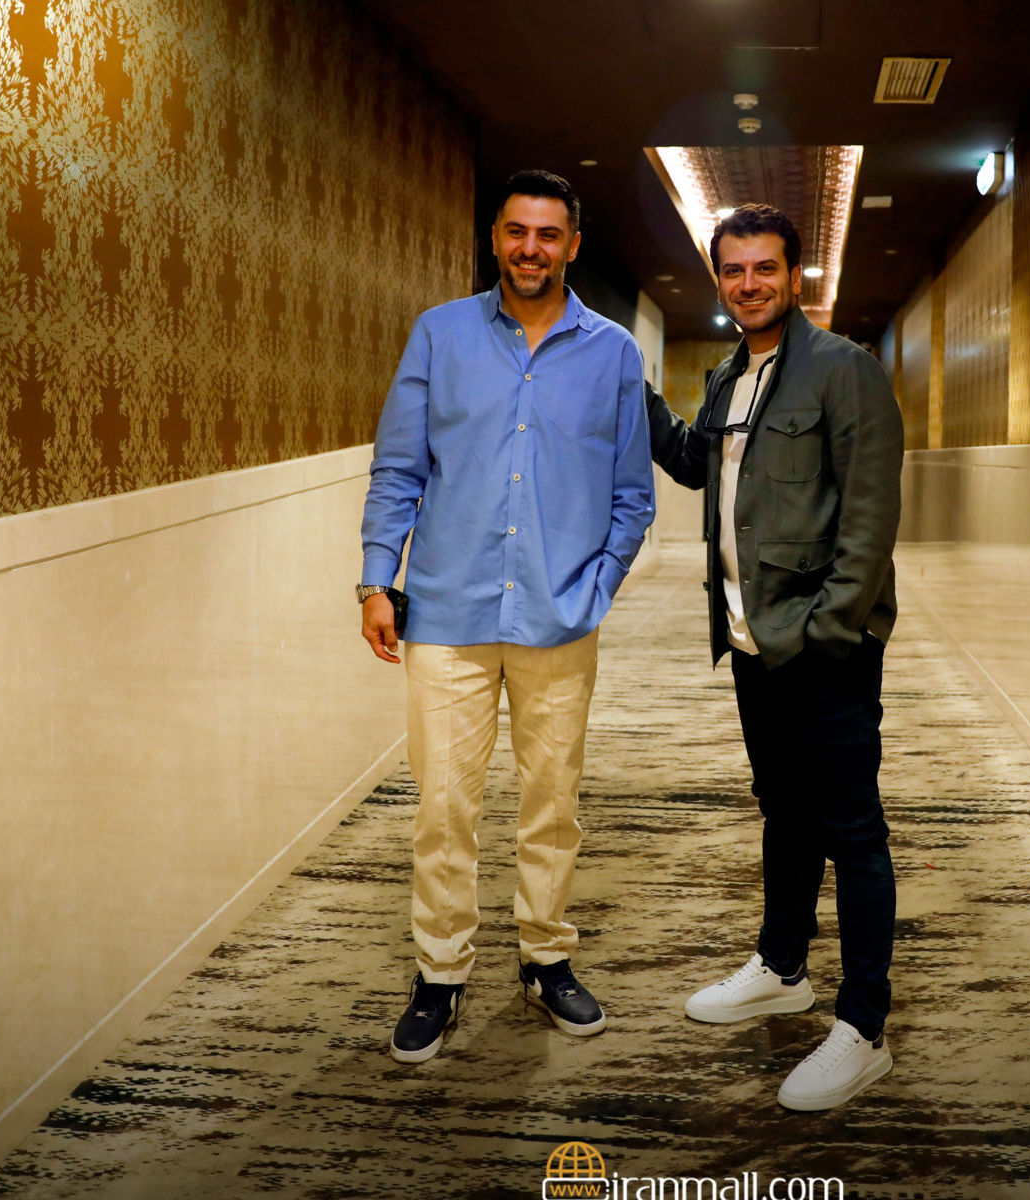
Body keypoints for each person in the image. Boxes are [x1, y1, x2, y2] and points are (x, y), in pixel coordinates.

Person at [359, 169, 654, 1064]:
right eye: (517, 232)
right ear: (495, 238)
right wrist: (375, 581)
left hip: (558, 618)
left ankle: (545, 956)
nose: (531, 248)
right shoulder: (440, 334)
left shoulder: (611, 353)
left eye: (548, 234)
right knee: (443, 807)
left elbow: (631, 494)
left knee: (551, 802)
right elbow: (399, 467)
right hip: (446, 613)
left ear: (573, 245)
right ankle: (440, 971)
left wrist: (594, 589)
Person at [642, 204, 903, 1111]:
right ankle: (783, 968)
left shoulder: (843, 369)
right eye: (733, 270)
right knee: (783, 810)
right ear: (718, 279)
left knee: (851, 830)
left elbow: (869, 517)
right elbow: (694, 462)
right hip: (751, 642)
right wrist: (629, 387)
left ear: (795, 276)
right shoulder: (728, 377)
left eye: (764, 268)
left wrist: (832, 630)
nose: (748, 284)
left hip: (820, 646)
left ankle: (863, 1028)